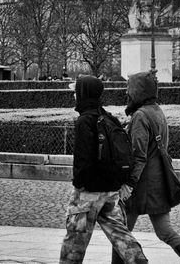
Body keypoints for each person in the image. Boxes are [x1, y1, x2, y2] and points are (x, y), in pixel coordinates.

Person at [111, 72, 180, 264]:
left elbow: (139, 156)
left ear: (137, 91)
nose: (127, 93)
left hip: (142, 185)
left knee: (122, 234)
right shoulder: (157, 110)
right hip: (159, 182)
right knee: (165, 231)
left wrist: (129, 183)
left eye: (129, 89)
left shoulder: (140, 116)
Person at [60, 75, 148, 263]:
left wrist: (79, 184)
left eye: (76, 92)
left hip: (88, 193)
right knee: (122, 236)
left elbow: (83, 160)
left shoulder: (85, 120)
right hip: (110, 191)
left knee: (74, 243)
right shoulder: (109, 119)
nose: (75, 96)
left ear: (83, 94)